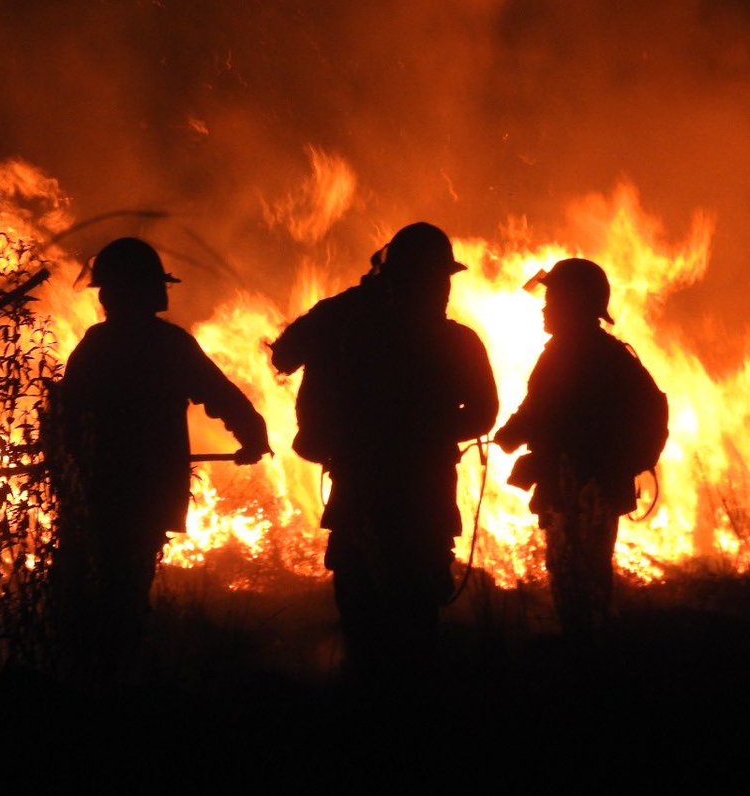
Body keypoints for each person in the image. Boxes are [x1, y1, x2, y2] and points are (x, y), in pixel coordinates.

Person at [271, 222, 498, 673]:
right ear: (411, 278)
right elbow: (482, 413)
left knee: (369, 614)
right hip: (417, 494)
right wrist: (428, 430)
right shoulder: (453, 341)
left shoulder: (345, 319)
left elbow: (283, 355)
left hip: (366, 486)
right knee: (408, 619)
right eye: (437, 278)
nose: (443, 289)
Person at [57, 237, 271, 661]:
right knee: (128, 585)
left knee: (96, 585)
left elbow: (66, 418)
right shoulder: (170, 344)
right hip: (150, 488)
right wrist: (252, 435)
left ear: (114, 292)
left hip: (100, 487)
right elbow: (219, 393)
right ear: (150, 290)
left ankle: (95, 670)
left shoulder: (95, 346)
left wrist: (68, 476)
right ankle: (120, 667)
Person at [494, 258, 667, 642]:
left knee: (577, 585)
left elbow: (544, 411)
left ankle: (588, 669)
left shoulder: (574, 355)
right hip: (593, 488)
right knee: (587, 583)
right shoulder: (600, 353)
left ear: (574, 303)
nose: (545, 307)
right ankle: (592, 660)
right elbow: (542, 409)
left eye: (553, 299)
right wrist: (512, 434)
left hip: (580, 491)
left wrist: (510, 436)